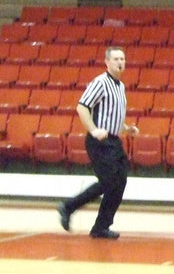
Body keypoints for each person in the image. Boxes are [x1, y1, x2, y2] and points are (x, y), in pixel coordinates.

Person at [57, 46, 138, 239]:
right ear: (107, 62)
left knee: (120, 182)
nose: (120, 62)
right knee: (109, 182)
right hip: (99, 142)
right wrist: (93, 130)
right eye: (116, 59)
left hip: (114, 141)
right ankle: (68, 207)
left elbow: (112, 115)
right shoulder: (100, 82)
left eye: (123, 59)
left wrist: (126, 129)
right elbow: (82, 107)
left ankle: (101, 226)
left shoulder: (120, 86)